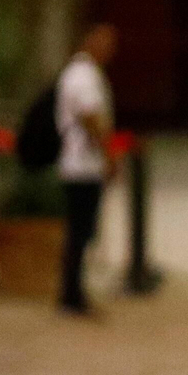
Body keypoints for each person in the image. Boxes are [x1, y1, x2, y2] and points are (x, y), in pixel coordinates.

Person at [56, 22, 118, 316]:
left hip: (82, 163)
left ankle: (73, 291)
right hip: (81, 163)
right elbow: (90, 116)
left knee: (81, 231)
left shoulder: (83, 73)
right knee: (79, 232)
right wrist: (108, 153)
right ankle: (71, 294)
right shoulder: (83, 75)